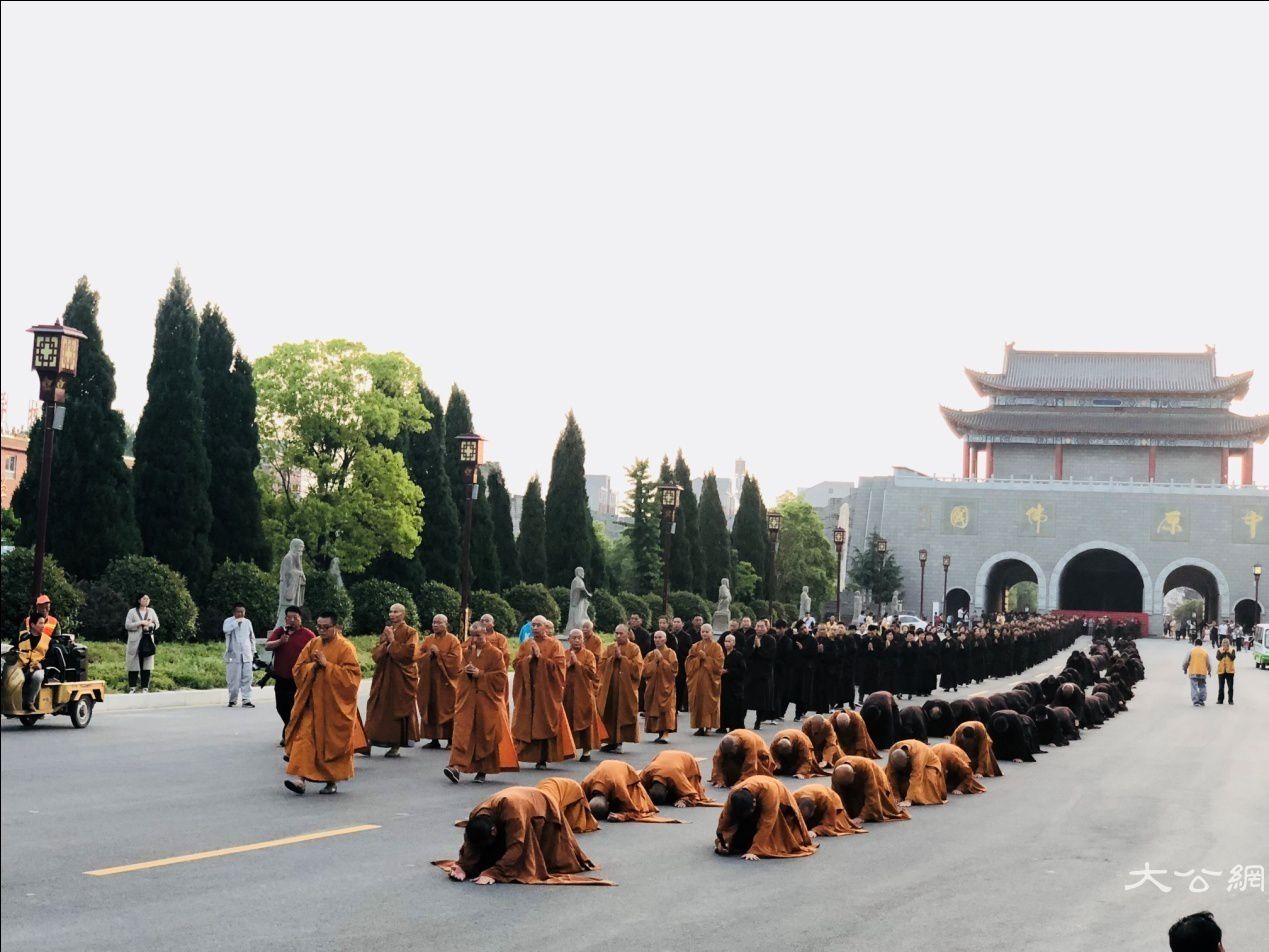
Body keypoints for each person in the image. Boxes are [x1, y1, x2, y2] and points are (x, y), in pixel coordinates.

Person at [438, 787, 611, 886]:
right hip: (518, 801)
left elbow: (517, 846)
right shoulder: (476, 814)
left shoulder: (512, 814)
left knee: (549, 861)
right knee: (487, 855)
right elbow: (471, 840)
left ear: (494, 831)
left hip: (542, 805)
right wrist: (463, 866)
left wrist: (494, 872)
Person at [283, 612, 367, 795]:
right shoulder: (313, 644)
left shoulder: (346, 647)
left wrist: (326, 665)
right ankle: (300, 779)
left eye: (325, 627)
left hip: (333, 707)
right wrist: (313, 666)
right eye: (318, 627)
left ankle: (331, 781)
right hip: (312, 704)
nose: (321, 630)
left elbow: (352, 678)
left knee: (330, 744)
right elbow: (298, 669)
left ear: (335, 627)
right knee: (304, 739)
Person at [445, 623, 518, 783]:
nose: (475, 639)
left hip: (487, 701)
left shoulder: (495, 653)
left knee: (485, 735)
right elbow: (458, 672)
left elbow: (500, 677)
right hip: (468, 700)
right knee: (462, 732)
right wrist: (467, 673)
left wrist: (481, 674)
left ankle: (482, 771)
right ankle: (455, 767)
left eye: (478, 635)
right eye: (472, 635)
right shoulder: (466, 652)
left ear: (486, 634)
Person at [511, 616, 575, 768]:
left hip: (546, 693)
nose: (534, 628)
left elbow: (560, 667)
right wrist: (529, 658)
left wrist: (541, 658)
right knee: (527, 720)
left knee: (544, 721)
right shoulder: (526, 644)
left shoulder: (555, 644)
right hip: (528, 691)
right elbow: (516, 664)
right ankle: (526, 754)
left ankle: (543, 758)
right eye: (533, 625)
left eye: (538, 625)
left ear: (546, 628)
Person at [714, 775, 817, 861]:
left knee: (778, 842)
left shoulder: (769, 791)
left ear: (754, 803)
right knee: (737, 844)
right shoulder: (734, 793)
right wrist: (722, 841)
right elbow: (726, 818)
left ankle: (758, 844)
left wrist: (755, 850)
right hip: (755, 798)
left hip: (779, 802)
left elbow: (767, 822)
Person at [364, 603, 420, 757]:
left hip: (400, 678)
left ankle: (395, 745)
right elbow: (376, 654)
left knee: (397, 708)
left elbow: (410, 654)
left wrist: (392, 643)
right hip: (383, 675)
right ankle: (367, 741)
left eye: (396, 611)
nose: (392, 614)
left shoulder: (411, 632)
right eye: (390, 611)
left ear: (403, 614)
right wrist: (387, 644)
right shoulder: (387, 630)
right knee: (375, 706)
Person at [264, 606, 315, 741]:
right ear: (285, 619)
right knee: (281, 706)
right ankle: (289, 727)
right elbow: (267, 646)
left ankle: (290, 734)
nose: (292, 620)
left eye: (295, 618)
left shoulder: (308, 634)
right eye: (289, 618)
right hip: (281, 677)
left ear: (300, 619)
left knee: (296, 707)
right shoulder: (280, 632)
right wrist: (280, 641)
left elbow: (316, 649)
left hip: (299, 679)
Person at [581, 759, 679, 823]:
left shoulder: (620, 788)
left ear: (608, 803)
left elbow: (634, 809)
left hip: (624, 769)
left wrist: (624, 816)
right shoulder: (586, 783)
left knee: (639, 802)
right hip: (605, 766)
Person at [417, 612, 462, 748]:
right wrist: (428, 655)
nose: (435, 625)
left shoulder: (453, 640)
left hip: (446, 682)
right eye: (434, 622)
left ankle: (450, 740)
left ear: (446, 625)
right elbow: (419, 656)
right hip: (430, 681)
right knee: (431, 707)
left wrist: (439, 654)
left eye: (439, 623)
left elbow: (456, 660)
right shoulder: (428, 639)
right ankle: (434, 739)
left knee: (448, 708)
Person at [596, 624, 642, 753]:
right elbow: (601, 665)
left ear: (628, 634)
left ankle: (620, 741)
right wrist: (612, 659)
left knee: (623, 714)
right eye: (616, 633)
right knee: (609, 713)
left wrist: (622, 658)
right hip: (610, 688)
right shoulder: (610, 648)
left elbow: (637, 668)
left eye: (621, 633)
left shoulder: (634, 649)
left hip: (626, 689)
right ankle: (611, 741)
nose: (618, 636)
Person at [563, 628, 604, 762]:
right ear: (569, 640)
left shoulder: (589, 655)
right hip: (569, 693)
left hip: (584, 693)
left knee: (586, 720)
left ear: (582, 639)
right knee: (569, 719)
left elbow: (593, 673)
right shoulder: (564, 654)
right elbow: (559, 672)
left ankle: (586, 750)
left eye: (579, 638)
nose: (576, 640)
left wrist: (578, 664)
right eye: (573, 638)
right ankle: (570, 748)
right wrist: (569, 665)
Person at [829, 758, 911, 823]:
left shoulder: (865, 767)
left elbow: (872, 794)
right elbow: (836, 794)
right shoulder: (838, 770)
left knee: (877, 801)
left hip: (876, 776)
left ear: (854, 773)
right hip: (847, 777)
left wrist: (861, 817)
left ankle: (867, 813)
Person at [16, 596, 58, 712]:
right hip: (23, 663)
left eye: (47, 606)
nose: (45, 609)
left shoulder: (53, 624)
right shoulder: (25, 630)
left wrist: (41, 665)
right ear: (37, 607)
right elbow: (15, 646)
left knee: (38, 676)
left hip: (39, 662)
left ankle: (29, 702)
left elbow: (53, 654)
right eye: (42, 606)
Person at [639, 749, 719, 807]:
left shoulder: (676, 776)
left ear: (667, 790)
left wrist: (684, 800)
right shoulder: (648, 771)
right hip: (663, 754)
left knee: (685, 788)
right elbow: (637, 786)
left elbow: (691, 793)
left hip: (687, 759)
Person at [685, 622, 724, 735]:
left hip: (710, 680)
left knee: (708, 702)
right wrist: (698, 659)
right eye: (703, 631)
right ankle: (699, 727)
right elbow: (689, 662)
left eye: (707, 632)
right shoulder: (695, 646)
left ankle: (708, 727)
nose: (705, 634)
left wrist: (706, 658)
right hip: (697, 679)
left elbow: (719, 664)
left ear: (712, 633)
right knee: (698, 702)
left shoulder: (717, 647)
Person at [642, 629, 678, 743]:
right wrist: (654, 662)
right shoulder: (650, 654)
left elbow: (674, 670)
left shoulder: (670, 653)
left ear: (665, 639)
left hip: (666, 687)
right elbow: (644, 671)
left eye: (660, 637)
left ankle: (666, 733)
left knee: (666, 709)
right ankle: (659, 732)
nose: (657, 640)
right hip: (653, 687)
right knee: (654, 707)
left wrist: (662, 660)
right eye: (655, 638)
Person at [792, 784, 864, 837]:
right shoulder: (793, 798)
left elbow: (829, 825)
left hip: (831, 798)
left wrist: (815, 831)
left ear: (815, 808)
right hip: (811, 794)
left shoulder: (827, 800)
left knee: (838, 825)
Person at [709, 729, 775, 787]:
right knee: (727, 762)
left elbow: (751, 765)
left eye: (732, 753)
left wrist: (741, 783)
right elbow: (717, 759)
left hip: (759, 756)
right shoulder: (725, 742)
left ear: (737, 746)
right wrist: (718, 779)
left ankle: (744, 780)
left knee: (757, 775)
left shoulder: (749, 742)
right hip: (739, 753)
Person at [222, 602, 256, 708]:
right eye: (238, 612)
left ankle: (246, 699)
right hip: (233, 654)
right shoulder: (228, 621)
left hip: (246, 654)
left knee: (247, 677)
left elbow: (252, 637)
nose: (241, 614)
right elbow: (225, 630)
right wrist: (236, 622)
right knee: (233, 679)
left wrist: (253, 651)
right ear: (234, 612)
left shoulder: (248, 622)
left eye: (242, 612)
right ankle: (232, 699)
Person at [124, 593, 159, 694]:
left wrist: (150, 625)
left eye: (148, 599)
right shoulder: (132, 611)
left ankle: (145, 687)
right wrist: (140, 623)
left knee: (146, 664)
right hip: (135, 641)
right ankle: (132, 687)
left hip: (147, 640)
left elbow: (157, 624)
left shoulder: (151, 611)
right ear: (139, 600)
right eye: (144, 598)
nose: (146, 600)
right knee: (133, 664)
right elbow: (127, 625)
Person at [719, 632, 747, 733]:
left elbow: (742, 670)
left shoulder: (738, 655)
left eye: (729, 641)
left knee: (733, 706)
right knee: (723, 705)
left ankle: (733, 726)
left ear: (734, 643)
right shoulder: (721, 654)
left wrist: (728, 671)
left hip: (734, 685)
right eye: (725, 641)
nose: (727, 643)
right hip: (723, 684)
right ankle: (722, 726)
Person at [1183, 636, 1212, 707]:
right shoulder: (1205, 652)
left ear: (1194, 643)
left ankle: (1196, 701)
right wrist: (1209, 671)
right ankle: (1201, 700)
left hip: (1193, 672)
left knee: (1194, 687)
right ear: (1201, 644)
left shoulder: (1191, 651)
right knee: (1202, 686)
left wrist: (1185, 669)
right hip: (1202, 672)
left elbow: (1185, 662)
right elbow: (1208, 663)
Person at [1215, 637, 1235, 705]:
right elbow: (1218, 658)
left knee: (1230, 687)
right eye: (1223, 644)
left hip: (1230, 671)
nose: (1225, 645)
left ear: (1228, 644)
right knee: (1221, 687)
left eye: (1226, 644)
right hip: (1221, 671)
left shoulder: (1232, 649)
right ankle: (1220, 700)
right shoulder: (1219, 650)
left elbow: (1233, 658)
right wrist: (1223, 652)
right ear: (1222, 644)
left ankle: (1230, 700)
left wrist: (1228, 652)